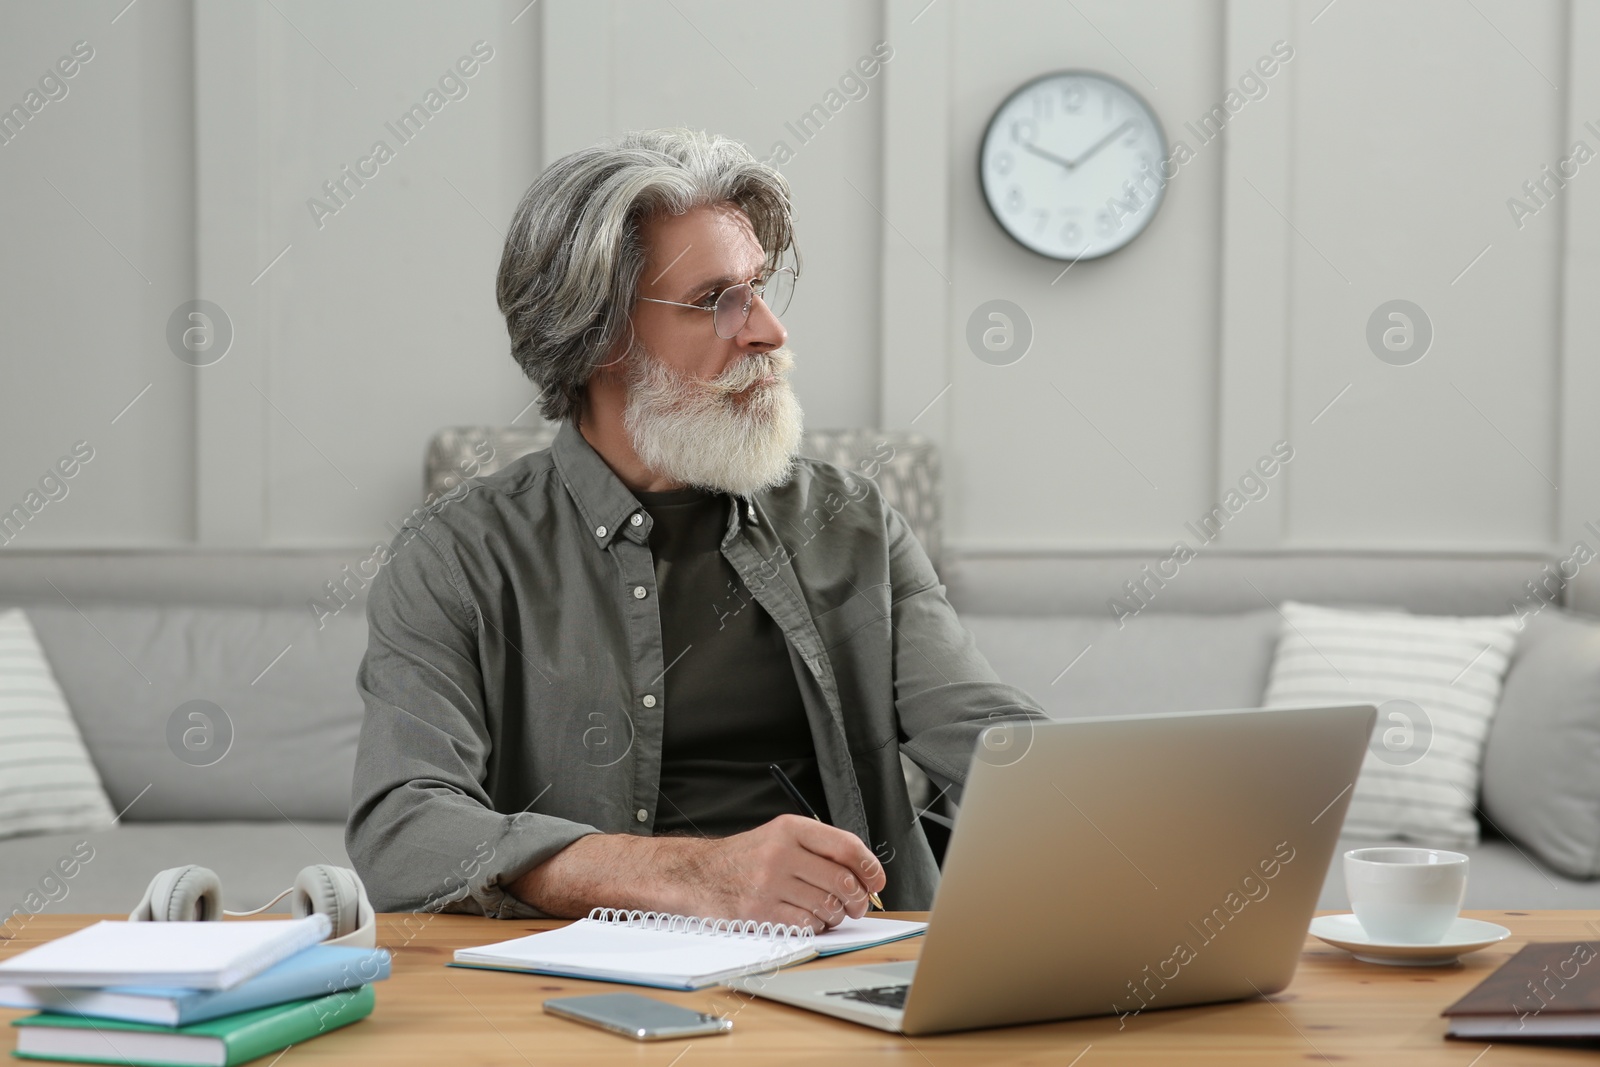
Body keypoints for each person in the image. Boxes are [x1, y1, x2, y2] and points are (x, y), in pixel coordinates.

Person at [346, 127, 1044, 931]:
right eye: (718, 301)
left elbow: (985, 733)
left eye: (759, 288)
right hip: (588, 984)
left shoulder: (849, 520)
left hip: (847, 964)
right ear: (599, 335)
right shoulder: (456, 556)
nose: (768, 332)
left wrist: (1135, 816)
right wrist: (692, 875)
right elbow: (404, 828)